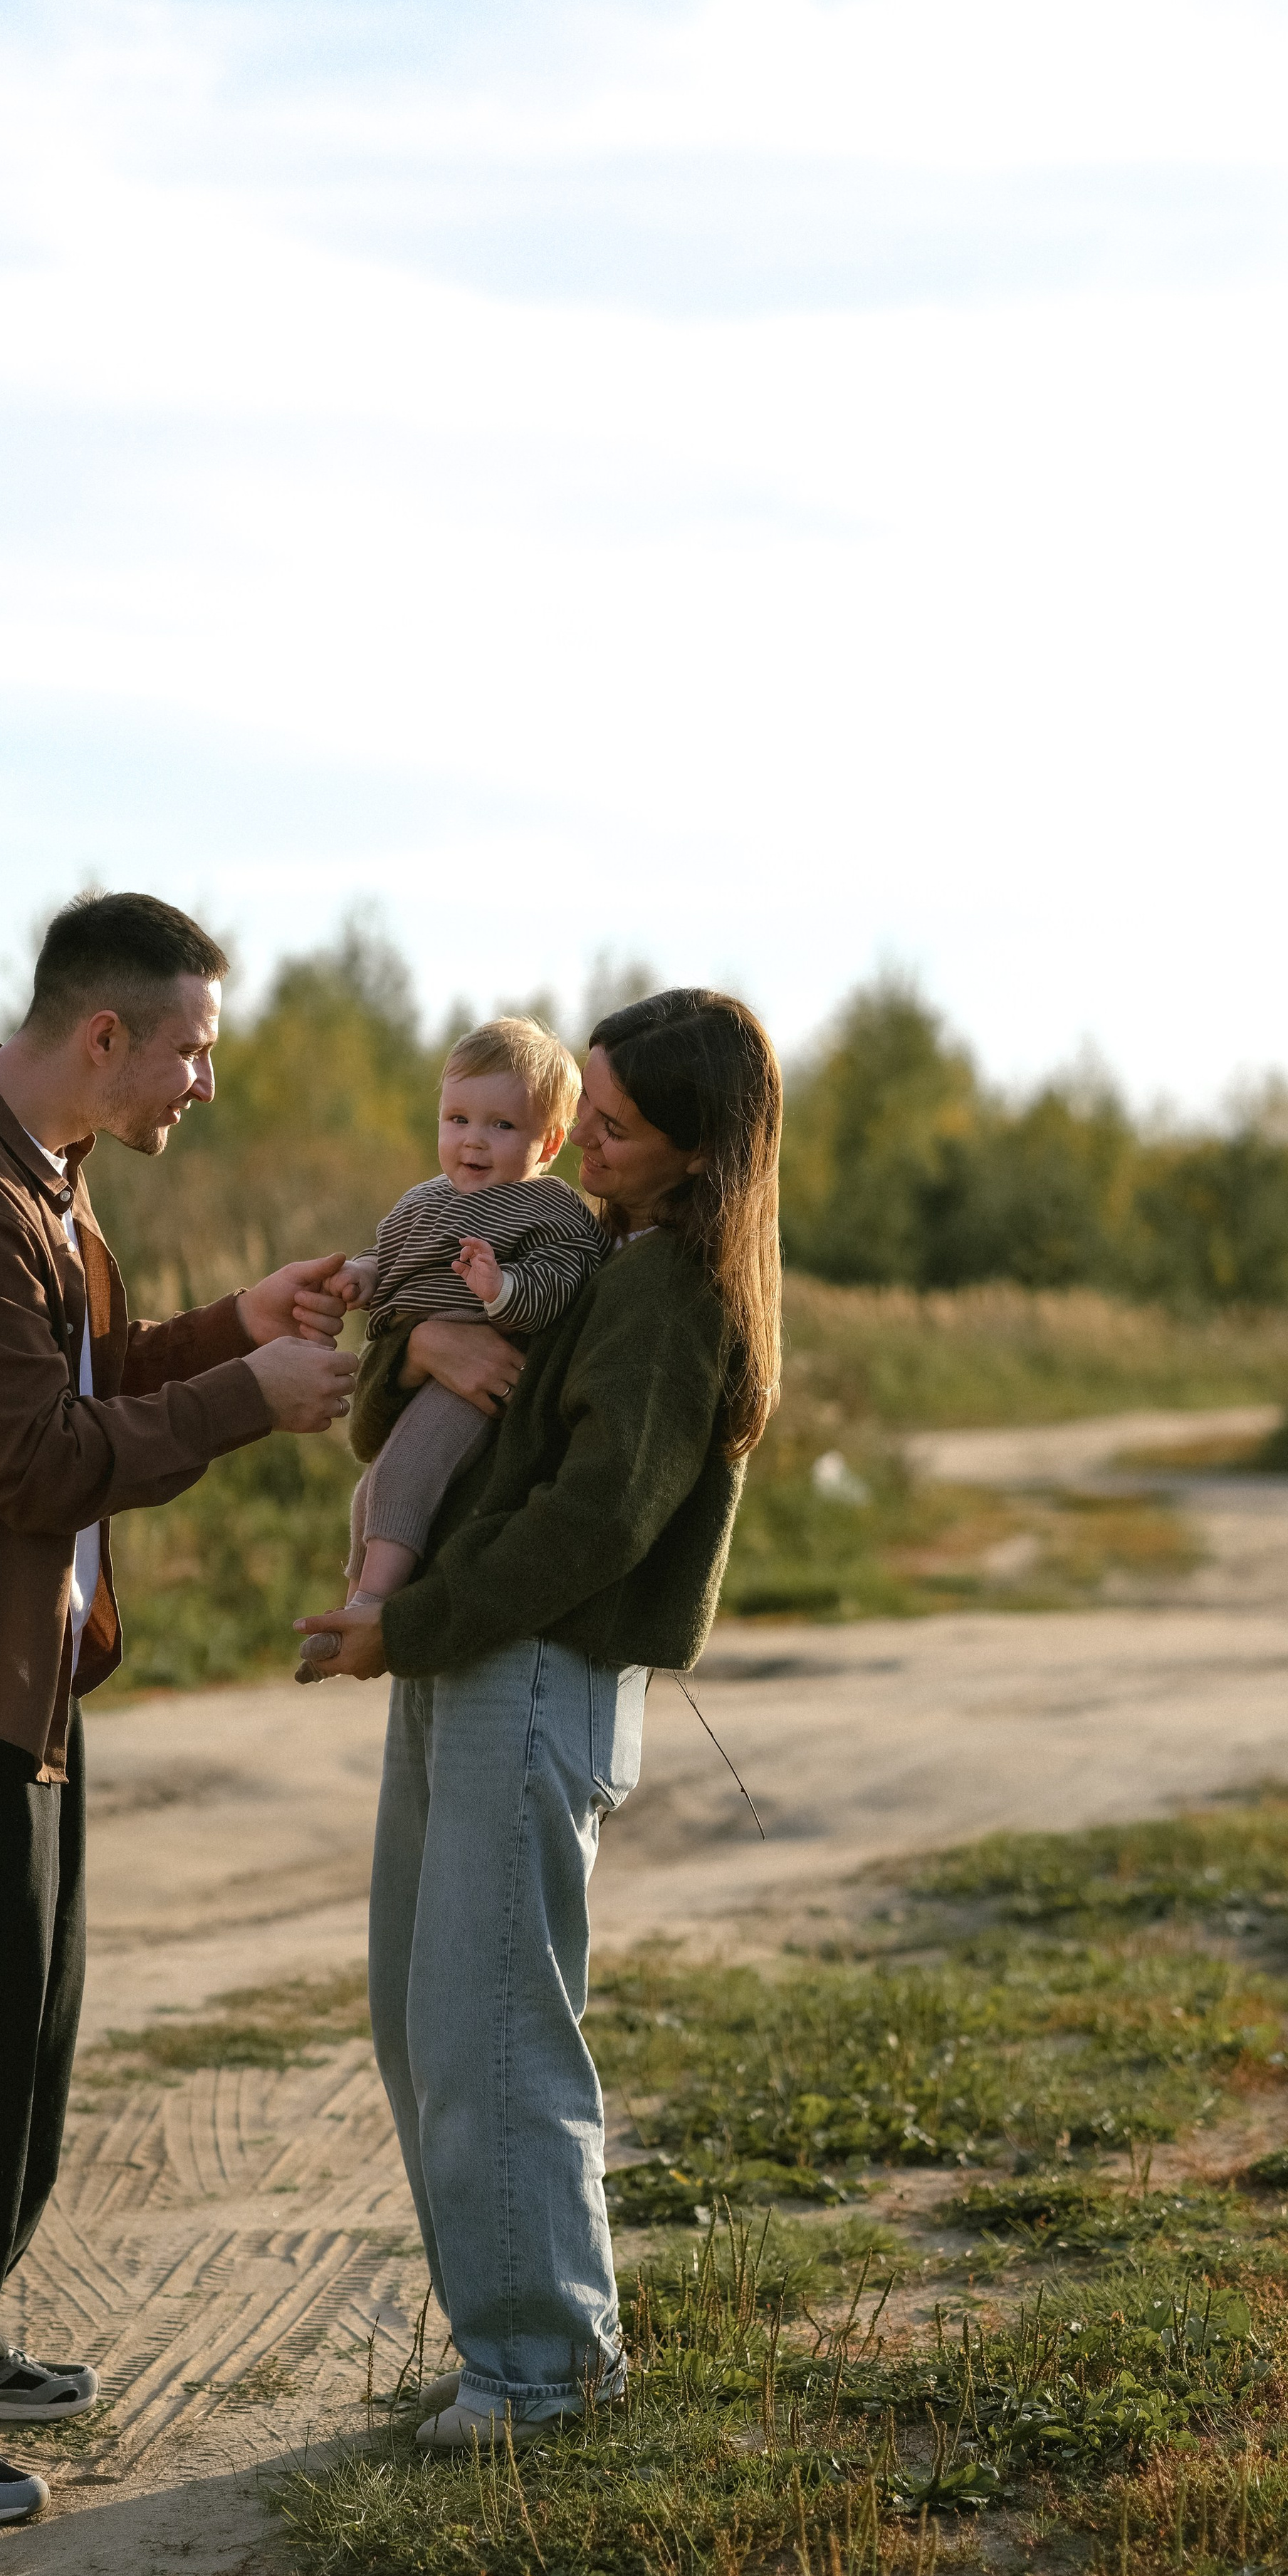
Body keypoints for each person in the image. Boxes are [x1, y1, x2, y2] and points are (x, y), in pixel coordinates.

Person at [0, 890, 357, 2525]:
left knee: (22, 2033)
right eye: (192, 1051)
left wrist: (232, 1328)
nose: (204, 1084)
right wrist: (246, 1399)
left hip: (9, 1670)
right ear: (103, 1034)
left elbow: (77, 1385)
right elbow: (33, 1463)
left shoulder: (39, 1167)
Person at [295, 988, 782, 2448]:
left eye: (618, 1127)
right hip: (462, 1661)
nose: (590, 1145)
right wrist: (414, 1353)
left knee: (492, 2029)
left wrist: (411, 1623)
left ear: (699, 1147)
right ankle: (503, 2354)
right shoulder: (587, 1253)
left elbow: (595, 1521)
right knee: (421, 2019)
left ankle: (543, 2374)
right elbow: (419, 1410)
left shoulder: (673, 1287)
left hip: (526, 1670)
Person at [295, 1017, 607, 1680]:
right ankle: (354, 1605)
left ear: (551, 1142)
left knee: (408, 1472)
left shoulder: (549, 1209)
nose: (473, 1140)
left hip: (485, 1377)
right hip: (433, 1372)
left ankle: (375, 1605)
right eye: (458, 1119)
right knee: (372, 1490)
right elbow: (389, 1256)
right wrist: (362, 1276)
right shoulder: (425, 1201)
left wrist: (503, 1288)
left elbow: (561, 1281)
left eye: (503, 1125)